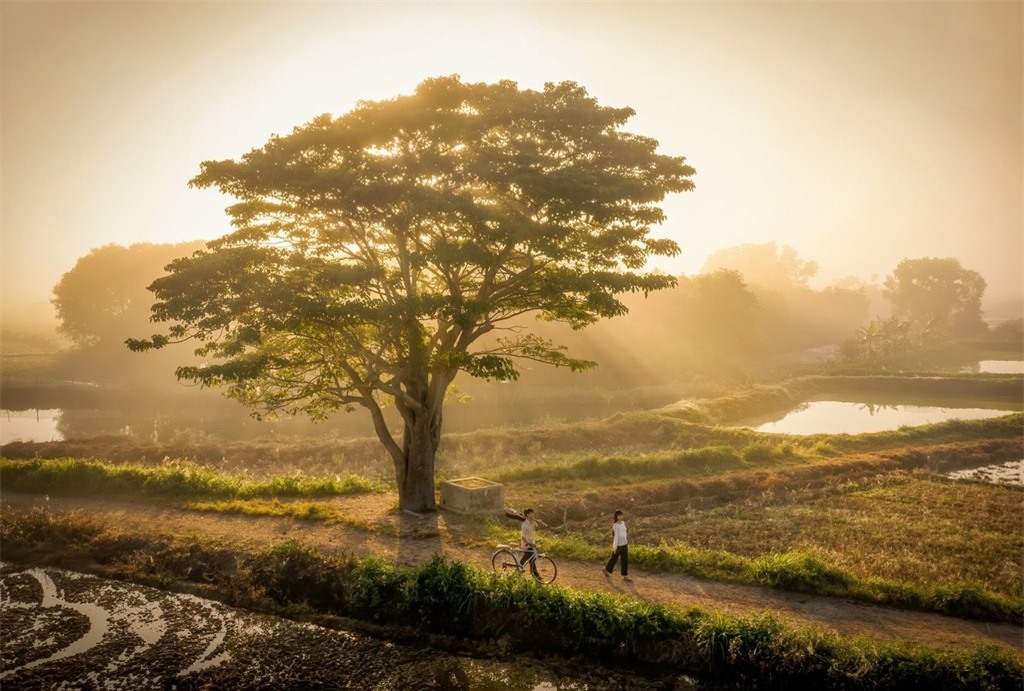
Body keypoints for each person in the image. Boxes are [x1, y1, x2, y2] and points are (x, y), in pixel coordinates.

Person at [603, 509, 632, 582]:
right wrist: (615, 547)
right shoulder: (615, 525)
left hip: (624, 544)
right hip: (618, 545)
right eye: (619, 516)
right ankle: (606, 569)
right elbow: (616, 537)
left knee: (625, 560)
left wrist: (626, 542)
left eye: (621, 515)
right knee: (614, 559)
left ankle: (625, 575)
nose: (620, 517)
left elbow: (625, 534)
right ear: (616, 517)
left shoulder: (623, 523)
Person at [520, 508, 547, 575]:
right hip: (526, 544)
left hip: (532, 543)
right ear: (528, 514)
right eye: (532, 513)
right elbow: (523, 537)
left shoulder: (533, 522)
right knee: (531, 559)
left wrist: (540, 522)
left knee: (527, 558)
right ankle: (535, 574)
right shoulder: (524, 524)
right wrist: (529, 543)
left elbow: (538, 528)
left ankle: (519, 568)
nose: (534, 514)